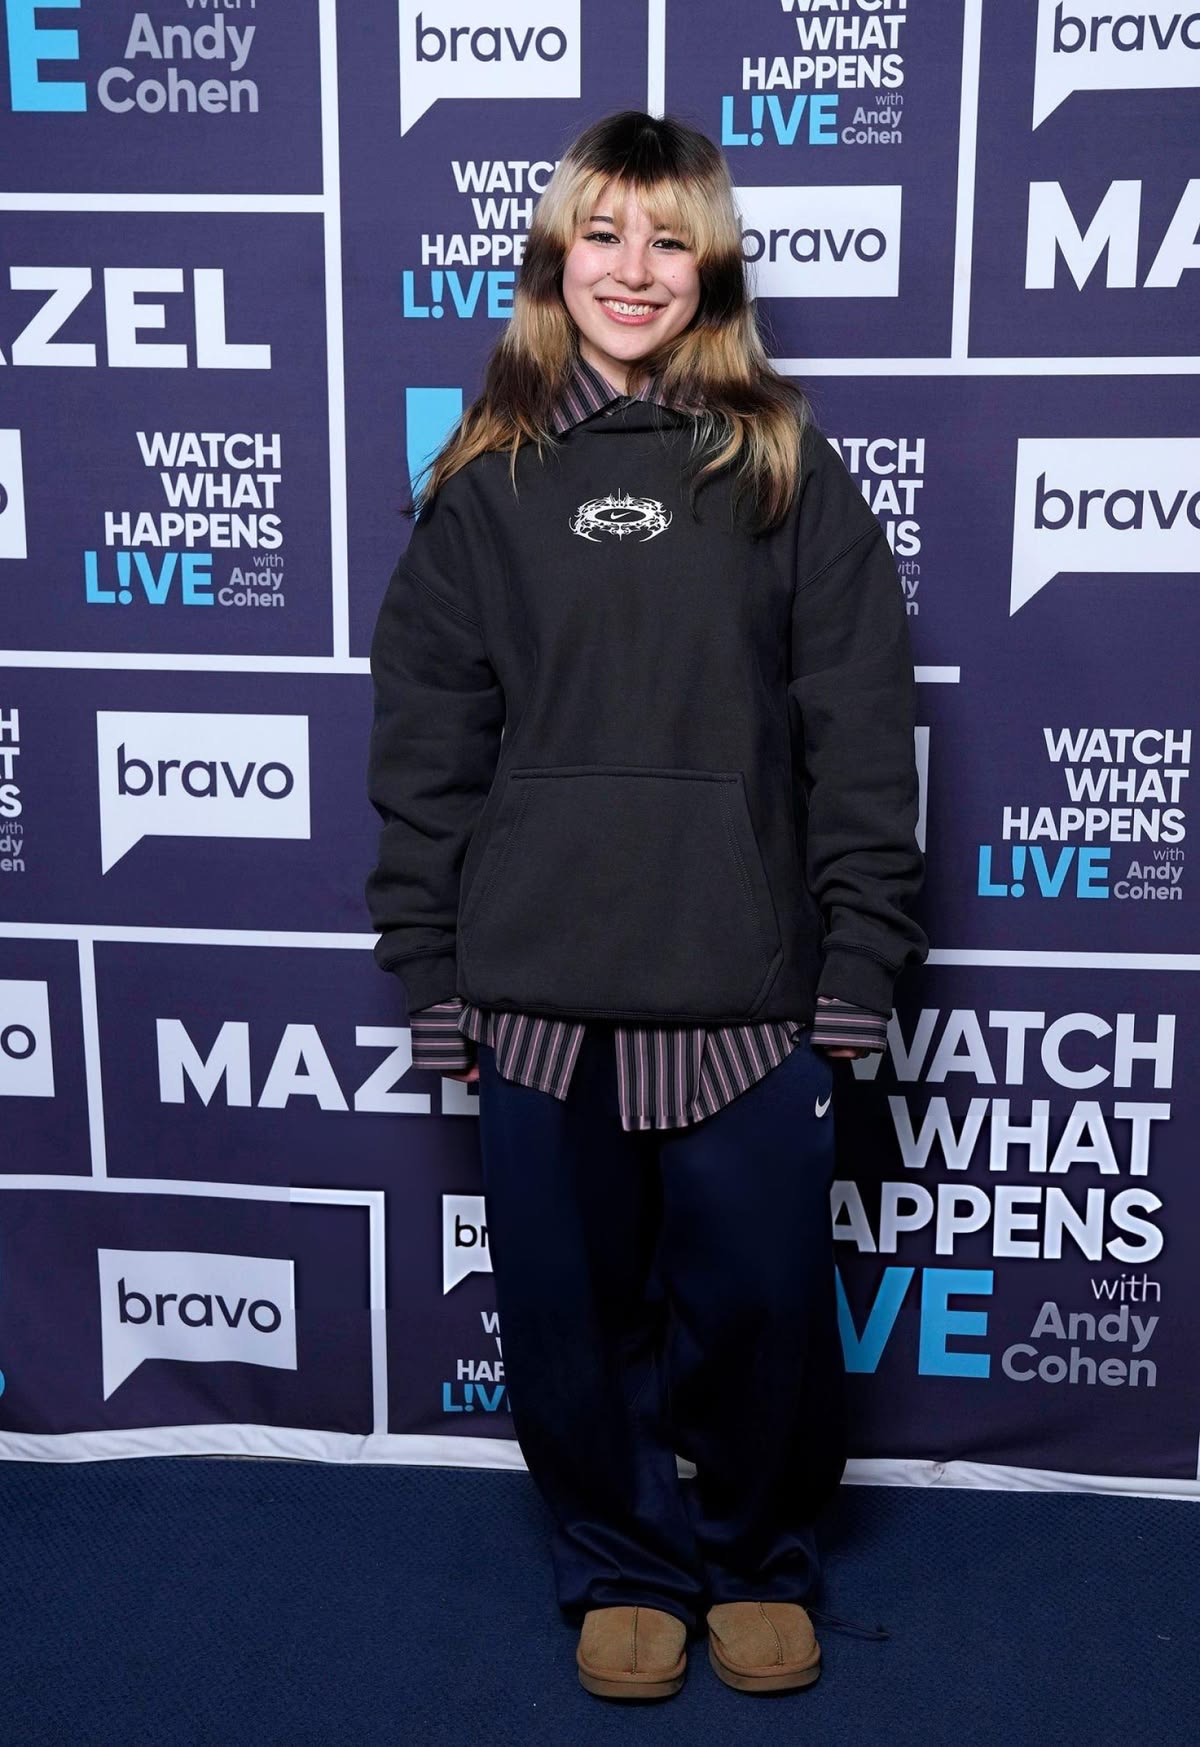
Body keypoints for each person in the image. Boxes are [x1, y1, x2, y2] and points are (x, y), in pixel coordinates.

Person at [366, 109, 927, 1701]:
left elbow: (861, 734)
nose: (633, 268)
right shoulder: (483, 483)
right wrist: (431, 971)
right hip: (537, 996)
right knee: (568, 1312)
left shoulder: (784, 467)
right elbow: (425, 748)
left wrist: (862, 959)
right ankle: (621, 1559)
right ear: (555, 259)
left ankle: (754, 1554)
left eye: (669, 239)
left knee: (759, 1309)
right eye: (602, 233)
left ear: (712, 269)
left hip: (745, 991)